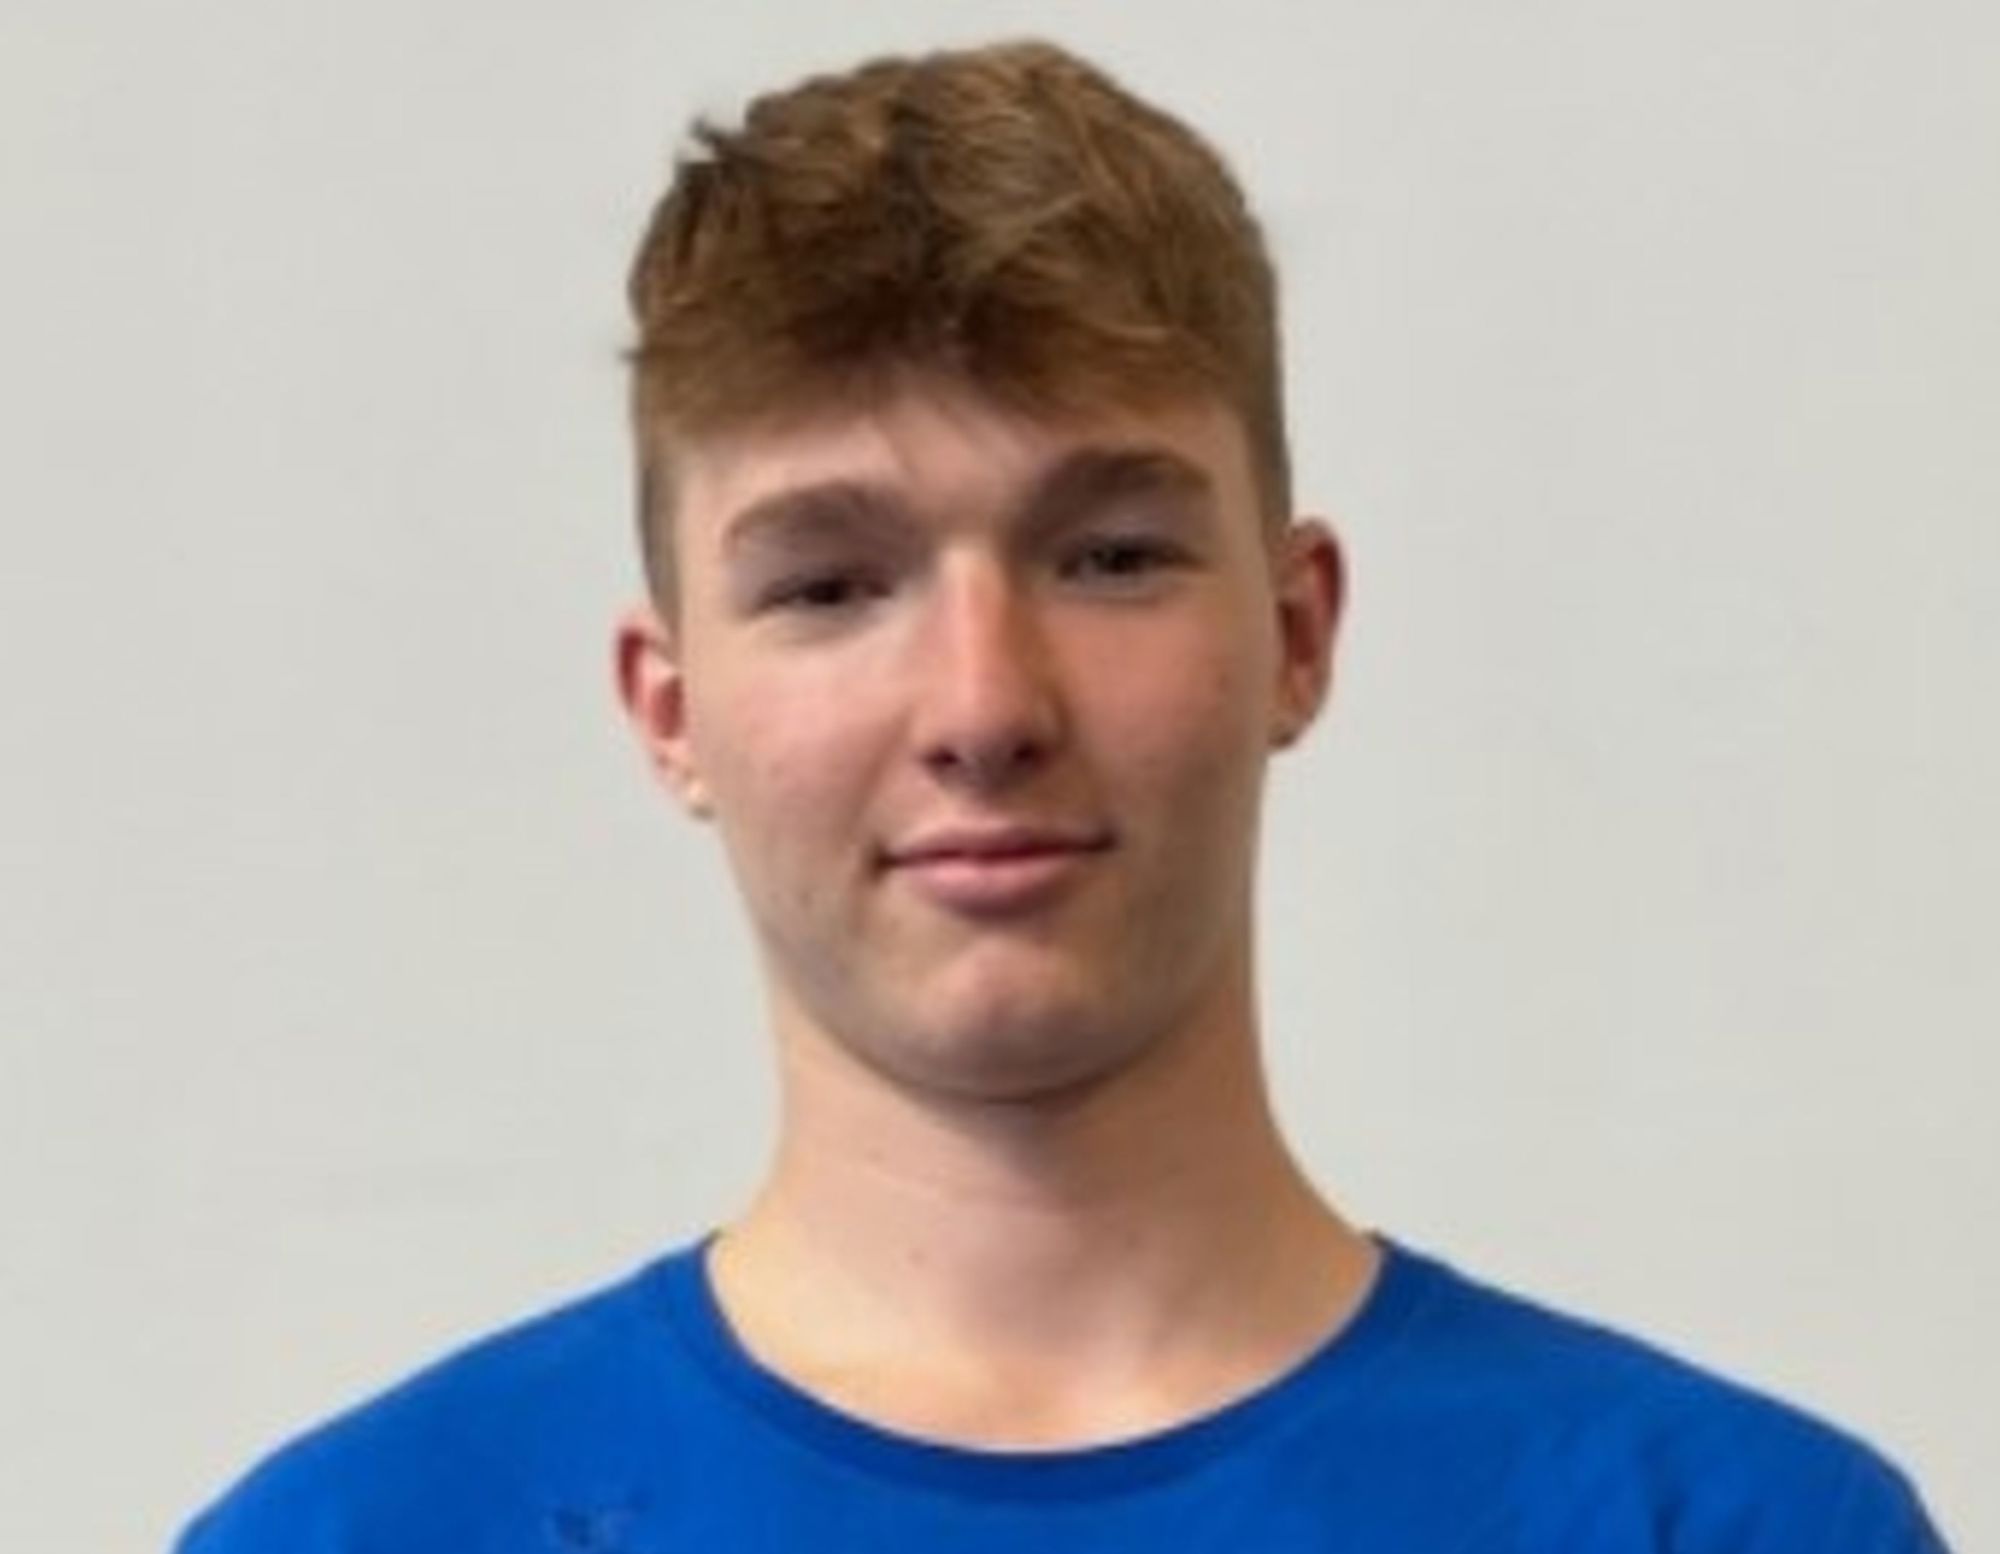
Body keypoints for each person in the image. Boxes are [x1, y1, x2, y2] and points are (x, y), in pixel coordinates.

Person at [175, 38, 1950, 1552]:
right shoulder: (363, 1533)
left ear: (1296, 632)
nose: (982, 705)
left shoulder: (1731, 1525)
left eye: (1108, 556)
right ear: (671, 708)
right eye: (829, 584)